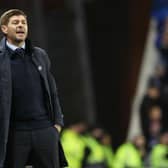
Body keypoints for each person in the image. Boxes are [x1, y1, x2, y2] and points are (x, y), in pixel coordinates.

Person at [0, 9, 67, 168]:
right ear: (4, 29)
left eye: (23, 23)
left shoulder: (40, 55)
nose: (21, 26)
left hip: (44, 130)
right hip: (14, 134)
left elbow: (52, 91)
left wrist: (57, 123)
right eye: (15, 23)